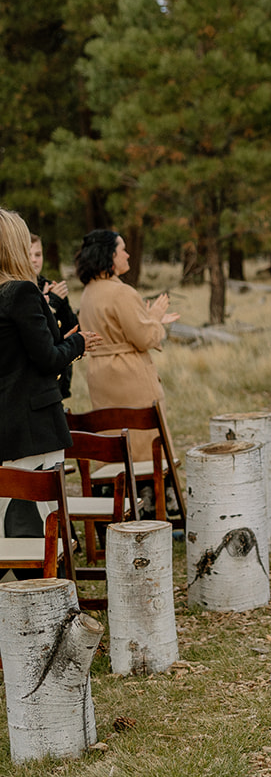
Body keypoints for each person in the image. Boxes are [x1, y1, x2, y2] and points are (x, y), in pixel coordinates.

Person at [0, 210, 98, 540]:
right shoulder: (21, 293)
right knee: (39, 511)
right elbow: (48, 360)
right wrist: (78, 342)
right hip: (32, 420)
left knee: (6, 508)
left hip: (5, 419)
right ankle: (41, 585)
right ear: (15, 245)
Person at [75, 230, 179, 466]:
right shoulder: (121, 292)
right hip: (129, 376)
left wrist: (150, 319)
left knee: (113, 438)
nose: (128, 254)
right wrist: (154, 317)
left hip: (100, 375)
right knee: (143, 445)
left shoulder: (88, 293)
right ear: (110, 255)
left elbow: (119, 329)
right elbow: (143, 338)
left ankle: (118, 494)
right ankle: (152, 497)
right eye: (122, 249)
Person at [28, 233, 78, 399]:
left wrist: (62, 303)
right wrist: (51, 305)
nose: (35, 260)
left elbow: (73, 328)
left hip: (60, 375)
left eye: (38, 254)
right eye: (29, 254)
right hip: (34, 383)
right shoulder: (17, 291)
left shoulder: (49, 285)